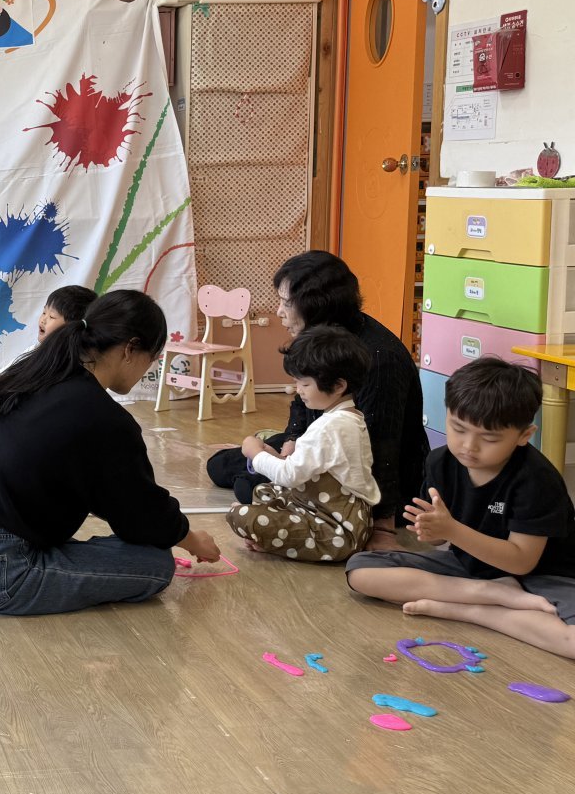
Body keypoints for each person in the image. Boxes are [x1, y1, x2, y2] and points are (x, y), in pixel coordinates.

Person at [0, 291, 222, 615]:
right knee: (155, 563)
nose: (148, 368)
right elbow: (140, 515)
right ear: (130, 349)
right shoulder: (104, 417)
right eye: (153, 357)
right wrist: (190, 538)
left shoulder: (33, 373)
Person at [347, 358, 575, 660]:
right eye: (458, 428)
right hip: (471, 571)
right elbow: (441, 542)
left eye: (489, 438)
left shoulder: (536, 478)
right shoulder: (439, 462)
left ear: (524, 435)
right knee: (360, 570)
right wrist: (432, 531)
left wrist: (451, 530)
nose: (469, 446)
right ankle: (492, 596)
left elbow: (521, 562)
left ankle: (474, 612)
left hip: (542, 575)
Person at [205, 251, 426, 550]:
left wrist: (382, 526)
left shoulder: (379, 357)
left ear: (316, 305)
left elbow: (383, 447)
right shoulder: (320, 339)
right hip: (324, 441)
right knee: (220, 466)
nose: (279, 311)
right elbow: (302, 399)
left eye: (286, 303)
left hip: (359, 473)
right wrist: (291, 440)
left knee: (249, 483)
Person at [227, 326, 377, 561]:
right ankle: (284, 536)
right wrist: (272, 455)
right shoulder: (349, 417)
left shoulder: (329, 428)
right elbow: (302, 468)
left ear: (338, 386)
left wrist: (255, 454)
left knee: (241, 514)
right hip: (346, 518)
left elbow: (288, 475)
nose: (298, 390)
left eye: (304, 384)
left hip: (335, 529)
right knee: (263, 490)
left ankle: (280, 542)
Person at [0, 283, 95, 400]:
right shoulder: (35, 351)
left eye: (52, 316)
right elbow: (2, 374)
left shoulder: (83, 364)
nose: (43, 319)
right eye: (44, 312)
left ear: (72, 327)